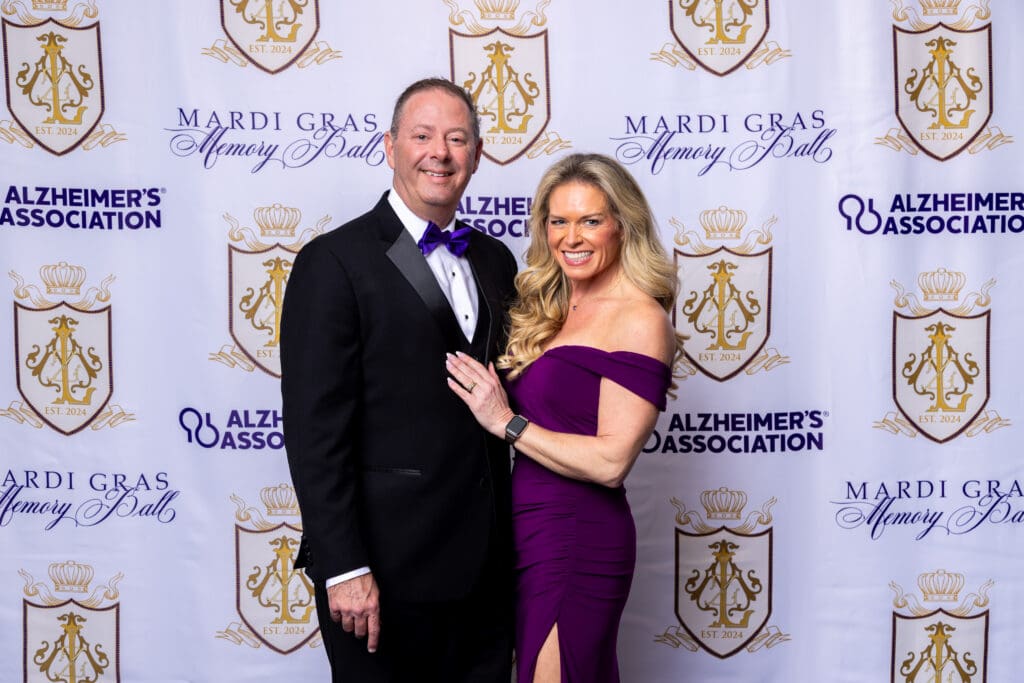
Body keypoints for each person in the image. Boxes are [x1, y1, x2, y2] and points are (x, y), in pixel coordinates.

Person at [280, 77, 517, 682]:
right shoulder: (332, 263)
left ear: (476, 157)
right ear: (390, 148)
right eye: (422, 135)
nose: (440, 151)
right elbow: (314, 434)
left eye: (457, 138)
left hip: (486, 578)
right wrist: (344, 567)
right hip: (383, 577)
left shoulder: (495, 260)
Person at [446, 153, 683, 683]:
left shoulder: (640, 318)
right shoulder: (552, 306)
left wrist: (505, 422)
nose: (571, 237)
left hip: (578, 537)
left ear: (623, 226)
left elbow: (611, 462)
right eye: (559, 221)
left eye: (590, 220)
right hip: (527, 532)